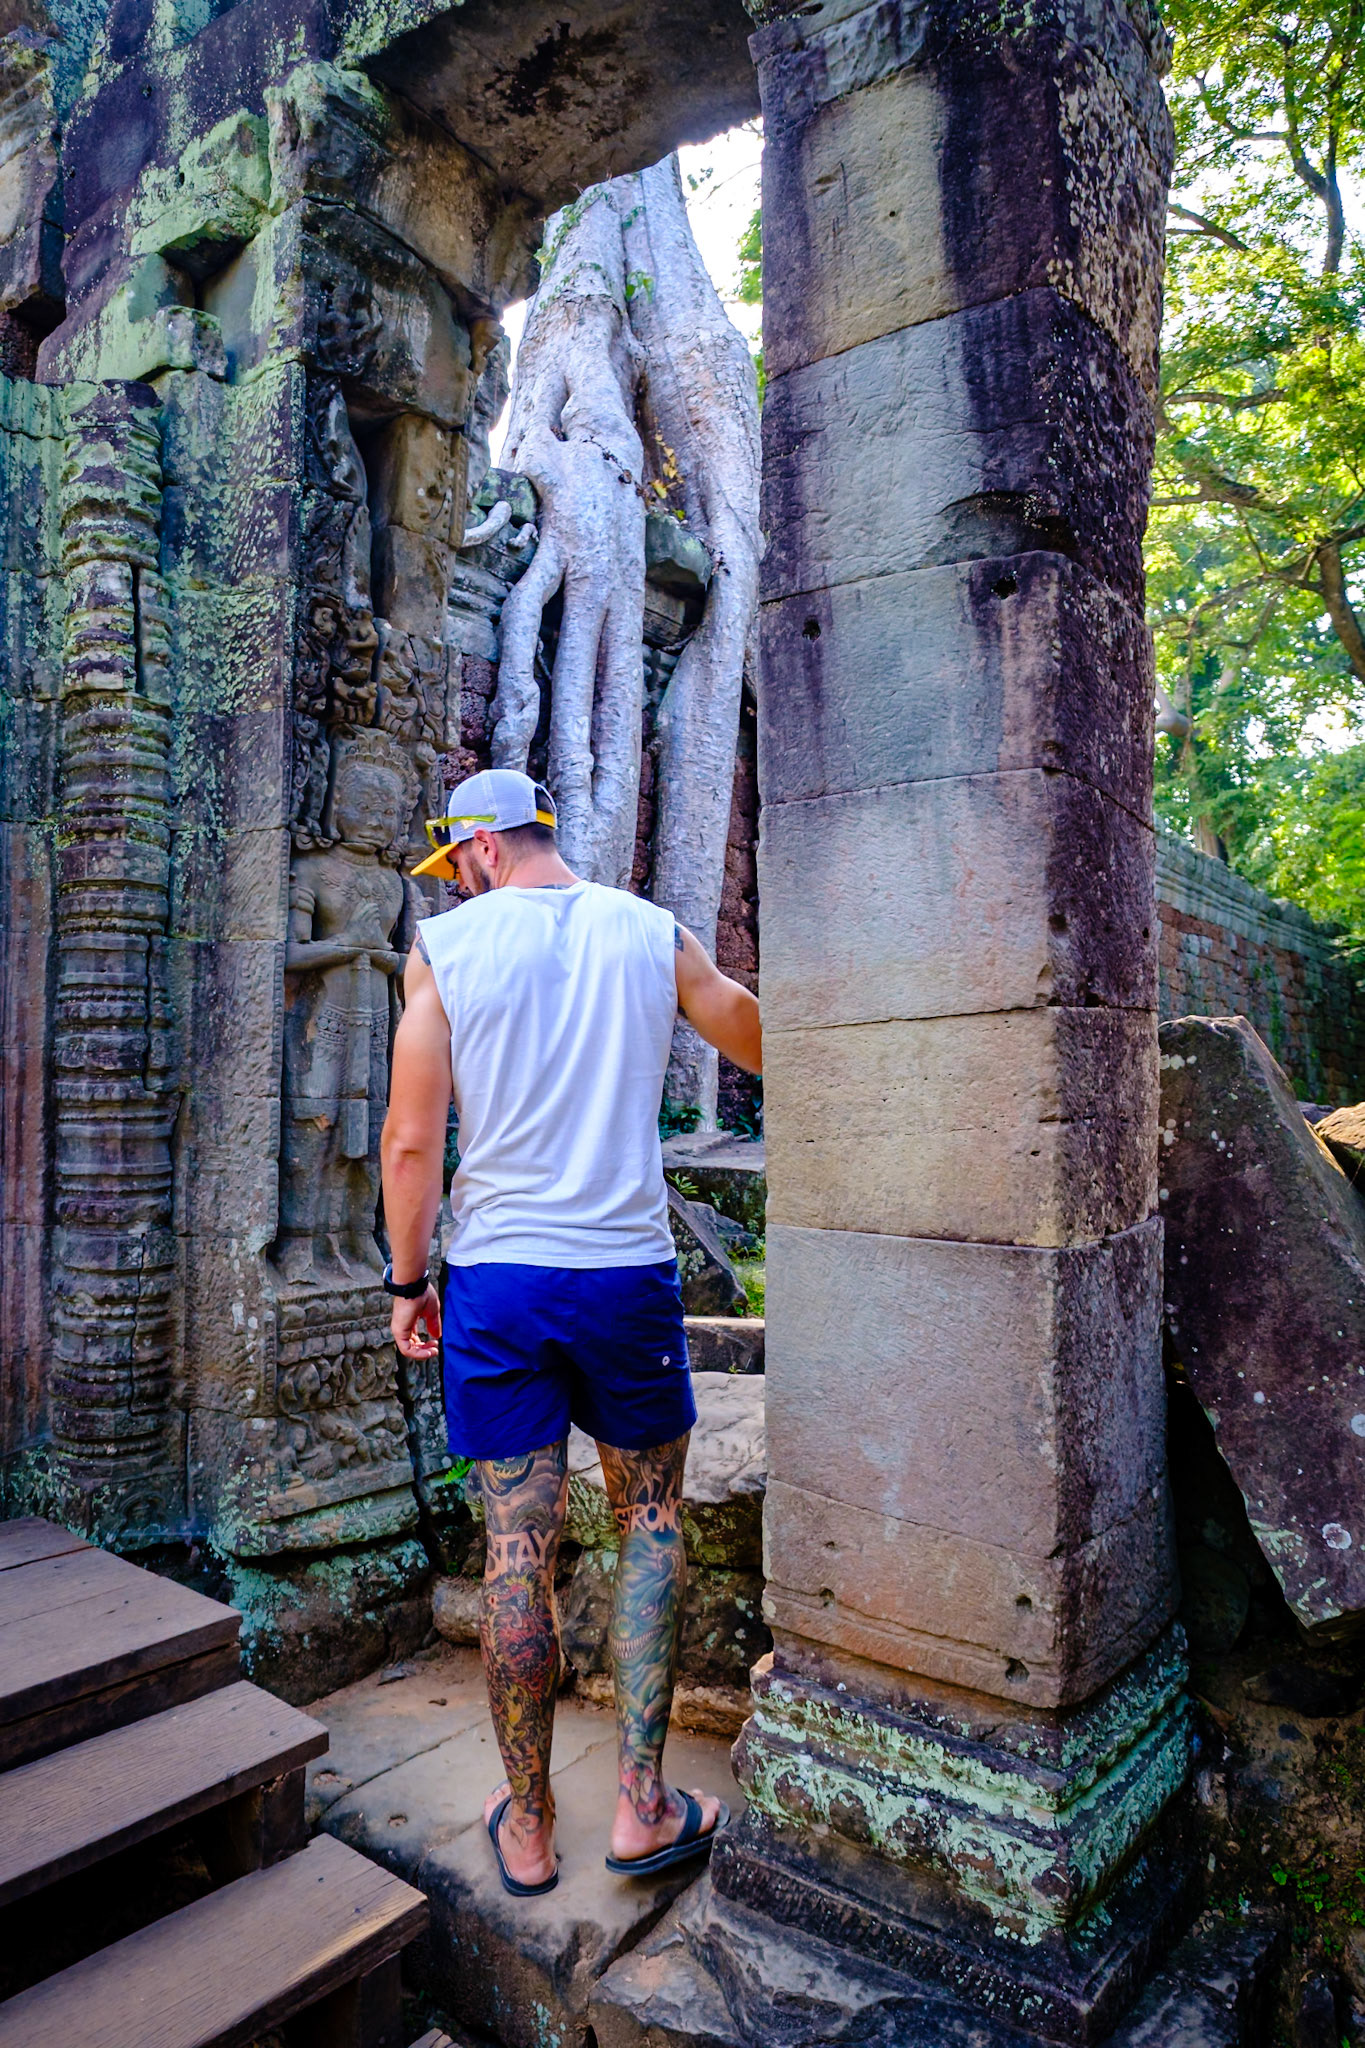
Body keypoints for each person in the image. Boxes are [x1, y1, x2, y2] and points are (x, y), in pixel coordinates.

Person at [380, 767, 762, 1897]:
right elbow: (757, 1035)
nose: (453, 887)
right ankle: (644, 1805)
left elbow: (411, 1143)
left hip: (497, 1282)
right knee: (649, 1522)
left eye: (454, 869)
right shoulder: (652, 931)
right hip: (624, 1274)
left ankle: (532, 1824)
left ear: (482, 850)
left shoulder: (447, 953)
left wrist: (410, 1281)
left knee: (515, 1546)